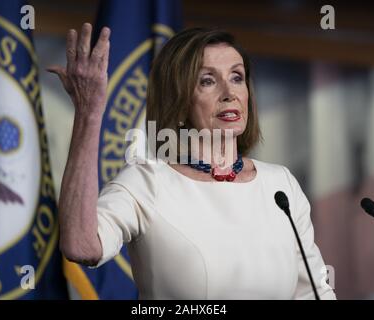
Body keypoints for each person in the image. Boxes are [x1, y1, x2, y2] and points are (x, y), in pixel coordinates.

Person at [48, 23, 336, 300]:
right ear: (180, 100)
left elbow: (314, 291)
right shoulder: (147, 182)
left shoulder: (280, 185)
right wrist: (89, 113)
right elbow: (81, 245)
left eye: (237, 77)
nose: (229, 93)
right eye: (207, 81)